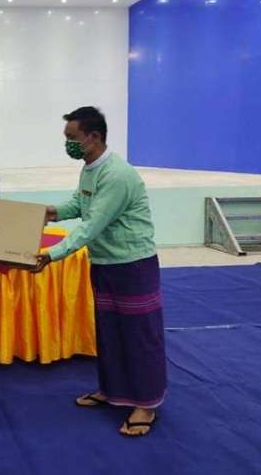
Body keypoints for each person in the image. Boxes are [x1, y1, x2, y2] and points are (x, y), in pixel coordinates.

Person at [33, 106, 167, 437]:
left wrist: (51, 255)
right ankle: (113, 390)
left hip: (132, 265)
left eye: (72, 138)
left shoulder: (117, 175)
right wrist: (48, 212)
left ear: (94, 137)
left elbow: (92, 225)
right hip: (105, 263)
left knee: (139, 337)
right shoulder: (90, 169)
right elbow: (80, 205)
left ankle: (146, 404)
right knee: (109, 333)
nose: (68, 144)